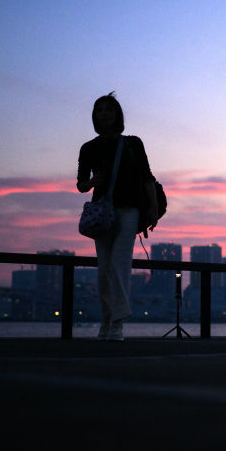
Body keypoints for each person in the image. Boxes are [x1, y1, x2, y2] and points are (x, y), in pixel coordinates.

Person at [77, 93, 158, 341]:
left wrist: (153, 207)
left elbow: (147, 177)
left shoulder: (133, 143)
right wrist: (93, 181)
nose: (104, 113)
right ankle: (106, 319)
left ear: (117, 114)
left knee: (119, 264)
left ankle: (118, 322)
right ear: (95, 116)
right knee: (104, 268)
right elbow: (81, 185)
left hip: (129, 210)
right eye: (99, 110)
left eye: (109, 109)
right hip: (103, 212)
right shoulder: (89, 148)